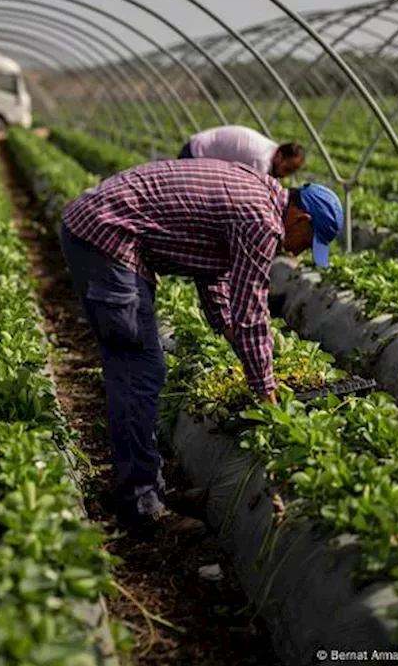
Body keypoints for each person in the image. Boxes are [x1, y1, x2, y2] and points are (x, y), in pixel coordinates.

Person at [60, 158, 342, 534]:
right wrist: (266, 391)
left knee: (141, 368)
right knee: (138, 370)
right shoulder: (261, 221)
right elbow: (252, 311)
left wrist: (226, 326)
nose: (297, 253)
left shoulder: (258, 195)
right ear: (300, 220)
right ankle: (142, 505)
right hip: (106, 237)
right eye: (307, 245)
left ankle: (149, 488)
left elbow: (211, 267)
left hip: (105, 231)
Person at [178, 124, 306, 180]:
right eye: (287, 169)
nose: (286, 175)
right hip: (195, 154)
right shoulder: (260, 161)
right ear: (279, 156)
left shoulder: (271, 149)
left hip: (201, 149)